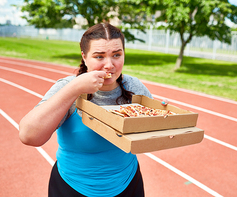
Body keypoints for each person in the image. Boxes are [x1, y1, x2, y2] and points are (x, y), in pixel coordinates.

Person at [19, 23, 168, 197]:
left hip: (128, 185)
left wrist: (162, 118)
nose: (109, 65)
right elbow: (28, 136)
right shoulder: (67, 87)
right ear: (84, 56)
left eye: (117, 55)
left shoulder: (133, 86)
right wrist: (74, 89)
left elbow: (149, 135)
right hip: (72, 187)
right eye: (99, 57)